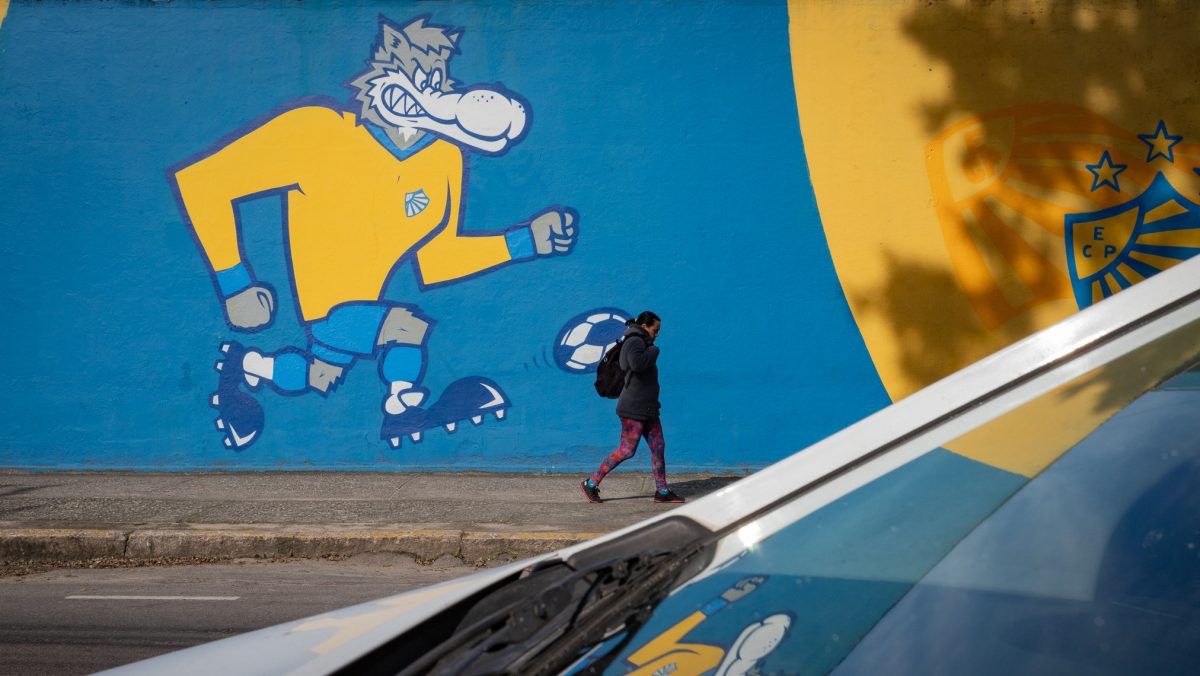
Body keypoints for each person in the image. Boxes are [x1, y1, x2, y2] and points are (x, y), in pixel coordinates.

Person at [581, 311, 684, 504]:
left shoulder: (640, 342)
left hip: (647, 407)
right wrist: (654, 351)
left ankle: (662, 491)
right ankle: (591, 483)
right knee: (627, 450)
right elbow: (636, 365)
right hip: (633, 409)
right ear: (645, 326)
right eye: (656, 329)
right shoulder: (634, 341)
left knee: (658, 446)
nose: (658, 334)